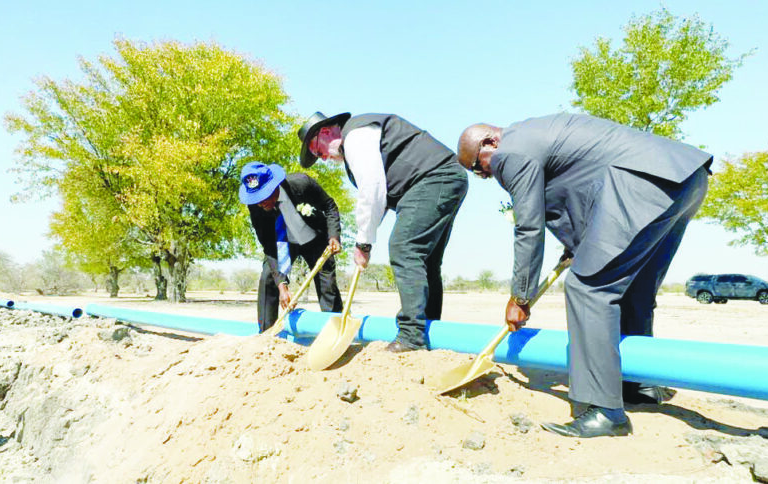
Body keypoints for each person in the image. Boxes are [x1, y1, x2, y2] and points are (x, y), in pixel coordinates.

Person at [457, 113, 712, 438]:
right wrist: (577, 246)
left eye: (481, 168)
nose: (488, 175)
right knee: (632, 288)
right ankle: (639, 385)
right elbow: (582, 193)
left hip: (645, 184)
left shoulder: (512, 152)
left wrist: (520, 296)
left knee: (587, 287)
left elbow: (529, 226)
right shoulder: (539, 133)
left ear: (490, 142)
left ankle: (604, 410)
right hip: (685, 178)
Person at [298, 112, 467, 352]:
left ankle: (411, 336)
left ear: (325, 132)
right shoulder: (357, 140)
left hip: (433, 179)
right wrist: (367, 238)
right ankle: (429, 330)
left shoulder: (356, 135)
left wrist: (363, 243)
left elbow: (372, 188)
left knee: (404, 248)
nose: (322, 158)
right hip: (441, 179)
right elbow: (382, 200)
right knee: (425, 260)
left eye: (317, 151)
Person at [238, 162, 343, 332]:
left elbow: (329, 206)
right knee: (268, 277)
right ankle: (266, 333)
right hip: (284, 243)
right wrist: (282, 285)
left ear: (274, 186)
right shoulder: (256, 207)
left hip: (315, 239)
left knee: (327, 287)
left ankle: (336, 329)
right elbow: (268, 246)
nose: (259, 203)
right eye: (255, 199)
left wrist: (333, 236)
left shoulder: (302, 184)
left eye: (263, 197)